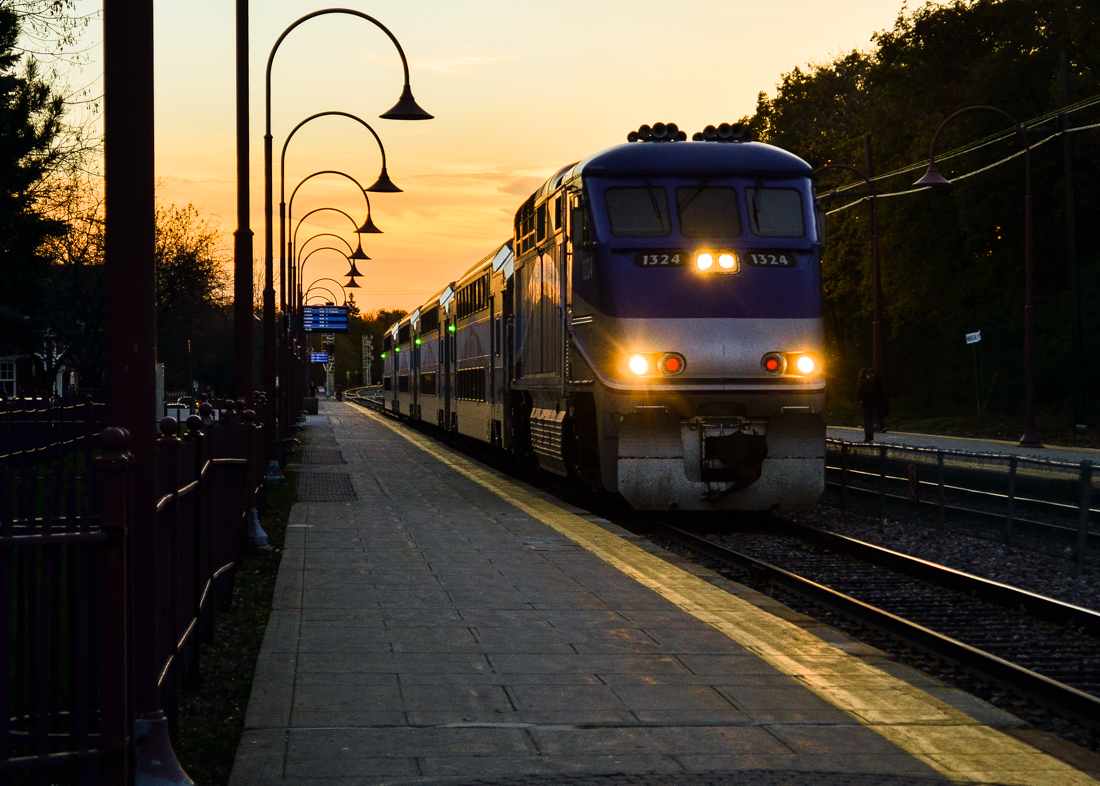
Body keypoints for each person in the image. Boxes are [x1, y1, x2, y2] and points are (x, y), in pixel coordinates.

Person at [856, 368, 883, 442]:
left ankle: (867, 436)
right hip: (872, 402)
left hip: (864, 403)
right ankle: (871, 436)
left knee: (866, 420)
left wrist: (860, 400)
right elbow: (876, 391)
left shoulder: (861, 382)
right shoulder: (871, 381)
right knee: (871, 419)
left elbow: (858, 392)